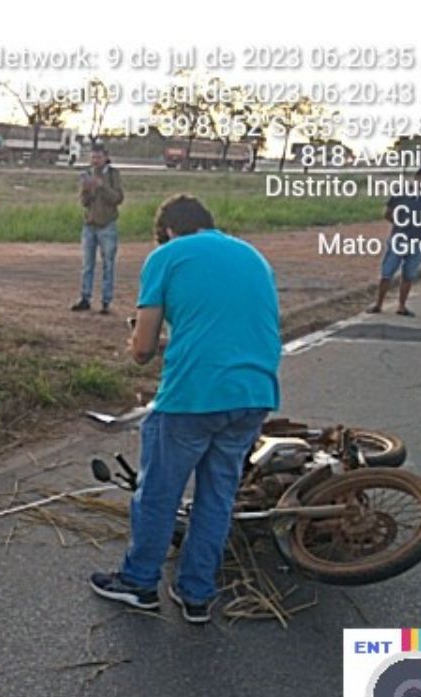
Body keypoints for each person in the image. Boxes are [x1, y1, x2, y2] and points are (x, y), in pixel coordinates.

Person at [89, 195, 281, 624]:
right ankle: (196, 594)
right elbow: (228, 329)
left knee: (159, 493)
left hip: (193, 397)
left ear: (169, 230)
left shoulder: (167, 256)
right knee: (217, 496)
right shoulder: (252, 255)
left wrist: (139, 344)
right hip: (255, 391)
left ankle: (139, 583)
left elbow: (141, 350)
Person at [368, 166, 421, 317]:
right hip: (399, 238)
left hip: (417, 240)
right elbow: (387, 213)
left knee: (409, 275)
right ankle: (378, 304)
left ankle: (402, 305)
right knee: (387, 273)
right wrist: (400, 224)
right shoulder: (401, 193)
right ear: (417, 178)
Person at [71, 143, 124, 314]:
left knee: (108, 265)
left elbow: (117, 198)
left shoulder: (113, 175)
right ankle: (85, 298)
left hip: (107, 224)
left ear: (106, 157)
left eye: (98, 157)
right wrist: (87, 191)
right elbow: (84, 203)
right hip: (90, 224)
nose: (95, 160)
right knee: (87, 264)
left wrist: (102, 186)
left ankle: (106, 301)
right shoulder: (86, 174)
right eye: (93, 157)